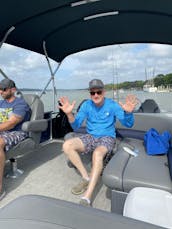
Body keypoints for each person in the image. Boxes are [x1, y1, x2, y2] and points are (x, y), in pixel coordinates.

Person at [59, 79, 138, 206]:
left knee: (97, 153)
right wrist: (69, 114)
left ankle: (87, 196)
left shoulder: (112, 105)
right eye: (92, 93)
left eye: (98, 92)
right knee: (67, 145)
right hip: (91, 136)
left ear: (103, 92)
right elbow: (76, 125)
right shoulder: (86, 105)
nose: (95, 95)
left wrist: (128, 113)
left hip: (107, 137)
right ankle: (86, 177)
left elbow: (128, 124)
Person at [0, 78, 31, 200]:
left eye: (3, 89)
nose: (0, 92)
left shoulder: (20, 104)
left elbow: (11, 123)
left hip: (16, 132)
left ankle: (0, 189)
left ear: (12, 90)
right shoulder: (1, 103)